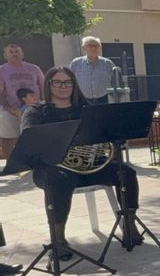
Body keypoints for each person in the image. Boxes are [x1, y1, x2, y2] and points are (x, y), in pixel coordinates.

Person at [21, 66, 142, 255]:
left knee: (126, 172)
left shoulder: (87, 110)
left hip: (90, 168)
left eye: (68, 82)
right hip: (54, 170)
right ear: (48, 85)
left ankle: (129, 224)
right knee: (60, 180)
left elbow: (106, 137)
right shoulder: (36, 113)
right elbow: (30, 142)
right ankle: (58, 239)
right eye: (57, 82)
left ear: (74, 84)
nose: (63, 86)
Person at [0, 43, 44, 160]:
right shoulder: (2, 70)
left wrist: (43, 104)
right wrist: (10, 109)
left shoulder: (34, 69)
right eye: (11, 52)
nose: (14, 54)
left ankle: (33, 162)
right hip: (9, 110)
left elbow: (43, 86)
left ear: (22, 54)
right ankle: (10, 164)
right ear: (5, 55)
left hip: (33, 109)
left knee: (33, 137)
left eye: (17, 52)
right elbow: (1, 92)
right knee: (8, 139)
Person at [68, 36, 118, 105]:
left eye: (96, 46)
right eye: (90, 45)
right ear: (83, 48)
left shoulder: (108, 63)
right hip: (82, 100)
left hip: (104, 99)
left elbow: (116, 82)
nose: (93, 48)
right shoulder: (76, 63)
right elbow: (70, 81)